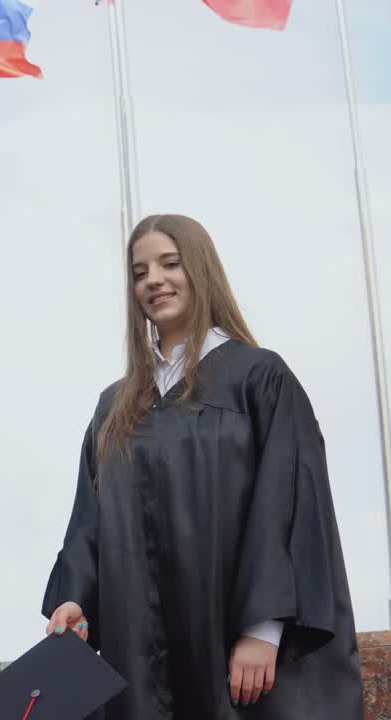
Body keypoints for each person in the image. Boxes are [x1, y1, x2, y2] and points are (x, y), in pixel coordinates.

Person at [42, 214, 363, 718]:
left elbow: (288, 504)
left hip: (233, 642)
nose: (153, 280)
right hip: (141, 646)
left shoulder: (259, 378)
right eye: (139, 271)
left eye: (170, 263)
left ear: (201, 270)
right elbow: (90, 517)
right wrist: (76, 598)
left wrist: (263, 627)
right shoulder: (116, 405)